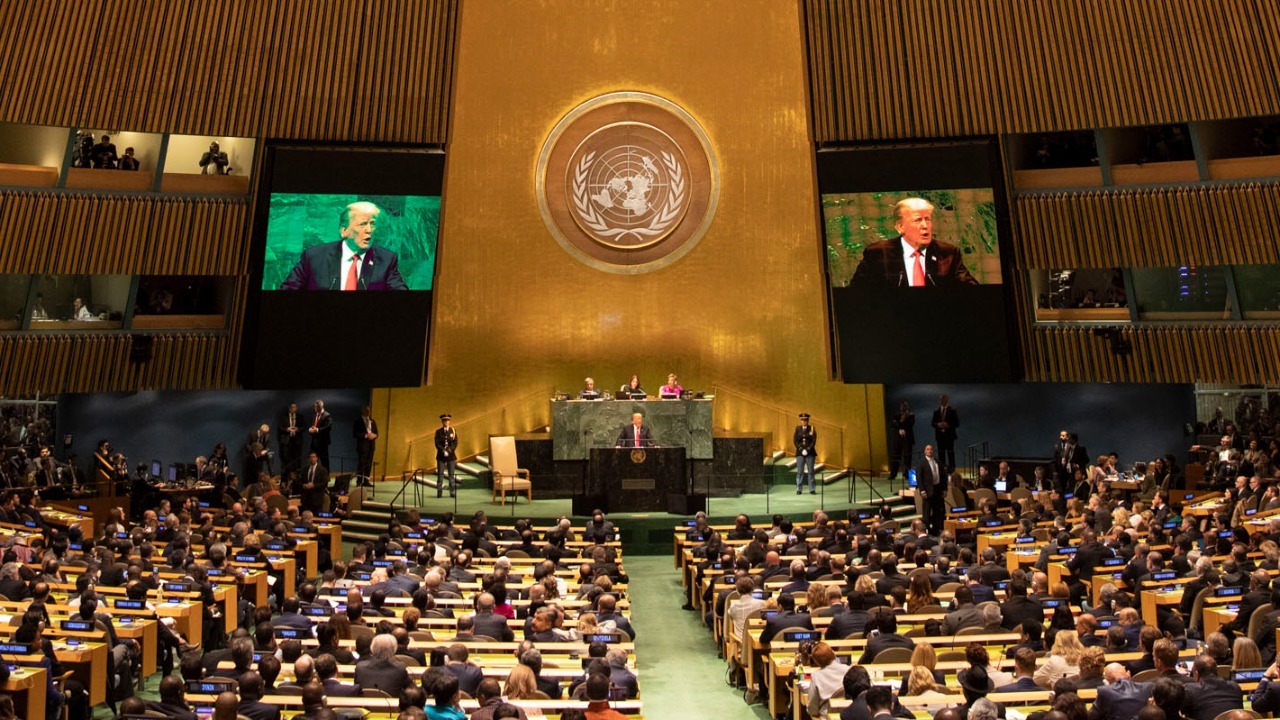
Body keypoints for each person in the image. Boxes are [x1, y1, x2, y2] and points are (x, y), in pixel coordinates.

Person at [848, 197, 977, 288]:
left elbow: (971, 291)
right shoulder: (877, 254)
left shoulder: (948, 253)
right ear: (900, 227)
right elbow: (856, 293)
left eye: (928, 219)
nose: (925, 225)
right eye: (918, 220)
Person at [279, 201, 407, 291]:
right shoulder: (314, 257)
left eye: (372, 224)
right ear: (344, 230)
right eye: (362, 224)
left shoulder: (386, 260)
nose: (369, 230)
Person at [916, 444, 944, 534]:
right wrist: (922, 490)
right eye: (928, 449)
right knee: (926, 513)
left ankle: (936, 530)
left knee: (937, 511)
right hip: (927, 491)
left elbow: (943, 476)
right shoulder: (921, 462)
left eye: (931, 449)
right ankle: (926, 530)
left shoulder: (938, 462)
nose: (930, 451)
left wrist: (945, 489)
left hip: (937, 490)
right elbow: (919, 478)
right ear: (925, 451)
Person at [931, 394, 959, 474]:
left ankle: (952, 471)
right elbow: (932, 423)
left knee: (950, 454)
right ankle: (942, 470)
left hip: (950, 436)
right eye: (940, 399)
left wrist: (948, 425)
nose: (941, 401)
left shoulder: (952, 410)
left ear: (947, 400)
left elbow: (957, 423)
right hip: (940, 436)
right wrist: (938, 424)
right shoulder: (936, 411)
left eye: (943, 399)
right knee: (941, 454)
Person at [888, 401, 915, 482]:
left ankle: (907, 474)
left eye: (904, 406)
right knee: (895, 457)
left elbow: (910, 424)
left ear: (907, 407)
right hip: (897, 440)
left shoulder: (911, 415)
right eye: (901, 406)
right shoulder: (896, 414)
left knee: (907, 457)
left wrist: (899, 424)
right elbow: (892, 424)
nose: (902, 407)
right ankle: (893, 474)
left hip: (907, 439)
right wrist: (900, 425)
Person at [353, 405, 378, 484]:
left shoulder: (373, 421)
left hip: (371, 446)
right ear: (362, 411)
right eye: (366, 410)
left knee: (369, 463)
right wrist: (366, 435)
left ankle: (366, 480)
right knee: (362, 463)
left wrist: (374, 435)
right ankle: (359, 480)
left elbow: (377, 433)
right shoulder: (358, 421)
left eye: (369, 410)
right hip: (362, 446)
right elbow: (355, 434)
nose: (368, 412)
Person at [435, 413, 457, 497]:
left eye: (447, 420)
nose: (446, 422)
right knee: (440, 474)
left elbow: (455, 443)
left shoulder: (453, 431)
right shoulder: (438, 432)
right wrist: (443, 450)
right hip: (441, 456)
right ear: (442, 421)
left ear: (450, 421)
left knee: (451, 474)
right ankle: (439, 491)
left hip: (451, 456)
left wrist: (449, 450)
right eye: (444, 420)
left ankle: (452, 492)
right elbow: (437, 443)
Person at [278, 402, 303, 477]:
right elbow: (279, 428)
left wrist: (297, 429)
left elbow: (304, 427)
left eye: (295, 407)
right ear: (289, 408)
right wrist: (287, 429)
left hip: (297, 441)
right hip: (286, 441)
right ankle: (286, 476)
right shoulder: (283, 417)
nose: (293, 409)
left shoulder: (300, 417)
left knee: (297, 458)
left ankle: (297, 475)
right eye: (292, 407)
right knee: (286, 459)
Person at [795, 413, 817, 494]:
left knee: (810, 471)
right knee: (800, 472)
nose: (804, 421)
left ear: (808, 420)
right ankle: (799, 489)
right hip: (800, 453)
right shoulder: (798, 429)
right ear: (800, 420)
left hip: (810, 453)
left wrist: (807, 449)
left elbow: (813, 441)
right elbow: (795, 441)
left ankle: (812, 489)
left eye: (806, 420)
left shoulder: (812, 429)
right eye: (803, 420)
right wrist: (801, 449)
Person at [308, 400, 332, 468]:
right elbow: (314, 426)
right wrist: (310, 430)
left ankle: (326, 477)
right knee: (312, 460)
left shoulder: (326, 415)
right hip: (314, 442)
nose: (315, 408)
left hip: (323, 442)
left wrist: (318, 430)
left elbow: (329, 427)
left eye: (317, 406)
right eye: (315, 406)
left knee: (324, 461)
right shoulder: (315, 415)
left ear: (321, 406)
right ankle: (313, 476)